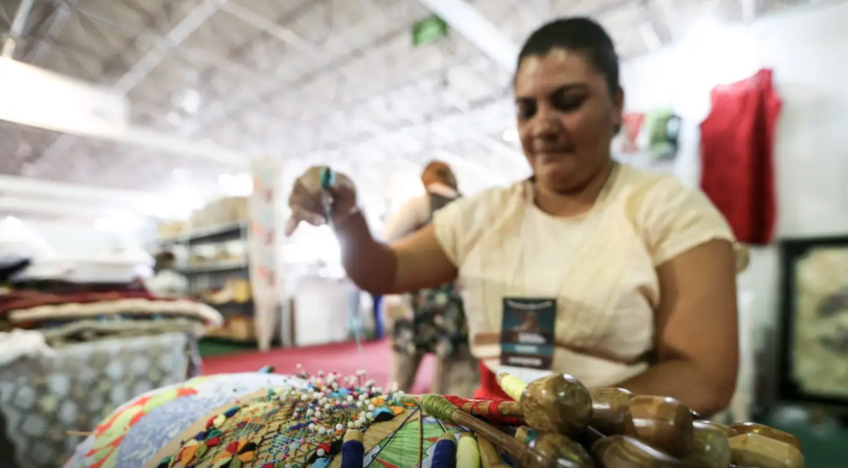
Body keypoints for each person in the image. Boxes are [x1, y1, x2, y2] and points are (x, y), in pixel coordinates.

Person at [286, 18, 739, 416]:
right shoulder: (484, 215)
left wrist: (566, 417)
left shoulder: (672, 211)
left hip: (620, 444)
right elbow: (386, 269)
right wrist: (346, 218)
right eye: (527, 109)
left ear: (617, 103)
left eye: (568, 101)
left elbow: (704, 377)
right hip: (498, 436)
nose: (542, 125)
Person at [381, 161, 476, 396]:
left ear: (426, 178)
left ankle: (387, 417)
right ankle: (447, 428)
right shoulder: (468, 207)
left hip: (417, 299)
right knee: (455, 380)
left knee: (401, 376)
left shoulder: (419, 204)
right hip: (456, 302)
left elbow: (389, 238)